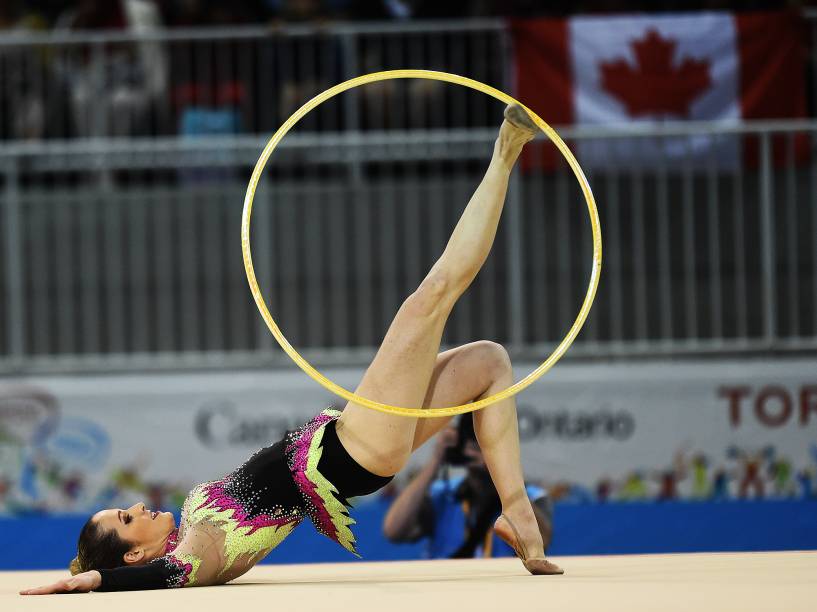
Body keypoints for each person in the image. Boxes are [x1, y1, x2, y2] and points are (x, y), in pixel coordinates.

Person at [20, 104, 562, 595]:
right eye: (125, 516)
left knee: (489, 362)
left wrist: (100, 573)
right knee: (432, 296)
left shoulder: (192, 531)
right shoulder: (195, 555)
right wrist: (95, 580)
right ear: (135, 551)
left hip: (351, 443)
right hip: (351, 448)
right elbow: (168, 575)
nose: (136, 505)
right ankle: (504, 154)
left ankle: (517, 515)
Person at [382, 416, 552, 559]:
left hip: (504, 590)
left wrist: (503, 472)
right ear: (462, 449)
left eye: (488, 447)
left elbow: (542, 543)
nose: (481, 453)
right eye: (475, 445)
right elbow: (393, 530)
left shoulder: (530, 496)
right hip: (444, 591)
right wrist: (436, 459)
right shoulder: (444, 494)